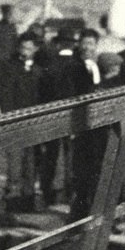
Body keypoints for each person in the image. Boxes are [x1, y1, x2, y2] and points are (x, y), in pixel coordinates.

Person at [45, 28, 106, 218]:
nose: (88, 47)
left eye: (91, 44)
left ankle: (89, 207)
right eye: (85, 43)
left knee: (94, 166)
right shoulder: (73, 66)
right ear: (79, 44)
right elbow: (69, 95)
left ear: (96, 46)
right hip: (79, 122)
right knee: (76, 165)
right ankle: (75, 208)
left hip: (97, 125)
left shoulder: (98, 66)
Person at [2, 32, 50, 213]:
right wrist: (8, 119)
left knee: (31, 164)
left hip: (34, 125)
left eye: (29, 48)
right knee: (14, 164)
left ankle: (28, 202)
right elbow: (4, 96)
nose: (25, 51)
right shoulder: (10, 68)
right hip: (14, 123)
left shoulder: (39, 71)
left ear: (36, 49)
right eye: (23, 47)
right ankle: (12, 203)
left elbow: (44, 97)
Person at [0, 4, 23, 112]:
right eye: (7, 13)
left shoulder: (12, 27)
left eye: (10, 13)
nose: (9, 16)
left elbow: (16, 43)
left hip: (10, 60)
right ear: (3, 13)